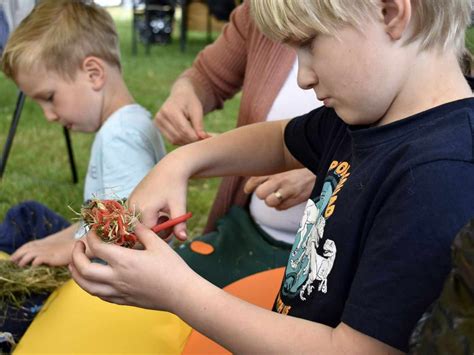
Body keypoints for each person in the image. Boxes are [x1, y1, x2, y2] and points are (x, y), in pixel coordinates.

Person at [70, 0, 474, 353]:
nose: (303, 76)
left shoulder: (439, 178)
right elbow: (281, 140)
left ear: (390, 13)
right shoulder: (368, 114)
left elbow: (356, 349)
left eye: (309, 43)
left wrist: (178, 292)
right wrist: (180, 163)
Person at [0, 0, 166, 344]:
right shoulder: (124, 123)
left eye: (49, 97)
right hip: (96, 246)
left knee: (16, 302)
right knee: (27, 216)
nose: (48, 115)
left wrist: (68, 249)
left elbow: (130, 231)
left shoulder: (120, 136)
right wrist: (60, 239)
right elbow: (103, 214)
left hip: (112, 281)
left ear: (93, 74)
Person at [156, 1, 321, 287]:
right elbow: (206, 75)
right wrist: (186, 93)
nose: (303, 78)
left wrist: (325, 174)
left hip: (324, 260)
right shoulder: (259, 11)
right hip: (250, 234)